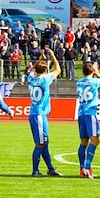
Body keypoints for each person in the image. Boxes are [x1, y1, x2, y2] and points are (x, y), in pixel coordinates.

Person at [27, 48, 63, 177]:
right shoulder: (45, 79)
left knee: (44, 142)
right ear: (45, 70)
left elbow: (32, 70)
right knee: (40, 144)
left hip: (34, 114)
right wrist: (52, 55)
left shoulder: (31, 79)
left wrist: (41, 59)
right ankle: (35, 170)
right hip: (39, 115)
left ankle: (50, 168)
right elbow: (58, 69)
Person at [76, 61, 100, 179]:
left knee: (83, 142)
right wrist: (98, 73)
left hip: (80, 113)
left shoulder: (79, 82)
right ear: (92, 71)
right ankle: (87, 167)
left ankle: (81, 169)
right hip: (90, 113)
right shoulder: (95, 81)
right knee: (95, 141)